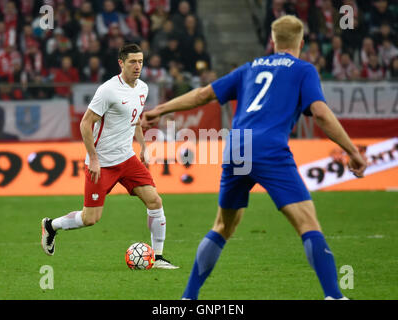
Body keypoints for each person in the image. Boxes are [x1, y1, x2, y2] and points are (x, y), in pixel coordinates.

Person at [141, 15, 367, 299]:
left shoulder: (250, 68)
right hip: (269, 148)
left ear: (272, 41)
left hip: (237, 145)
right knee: (308, 223)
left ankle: (189, 298)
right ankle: (334, 295)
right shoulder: (303, 69)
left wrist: (159, 110)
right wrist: (352, 151)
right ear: (301, 41)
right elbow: (320, 113)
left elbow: (201, 95)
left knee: (222, 226)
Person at [41, 43, 178, 270]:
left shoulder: (142, 88)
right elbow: (86, 123)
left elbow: (134, 119)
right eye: (133, 61)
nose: (137, 66)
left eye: (141, 61)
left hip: (126, 158)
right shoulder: (108, 90)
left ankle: (159, 256)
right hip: (102, 163)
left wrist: (142, 147)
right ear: (121, 63)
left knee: (155, 201)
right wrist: (93, 158)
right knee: (90, 219)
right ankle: (51, 225)